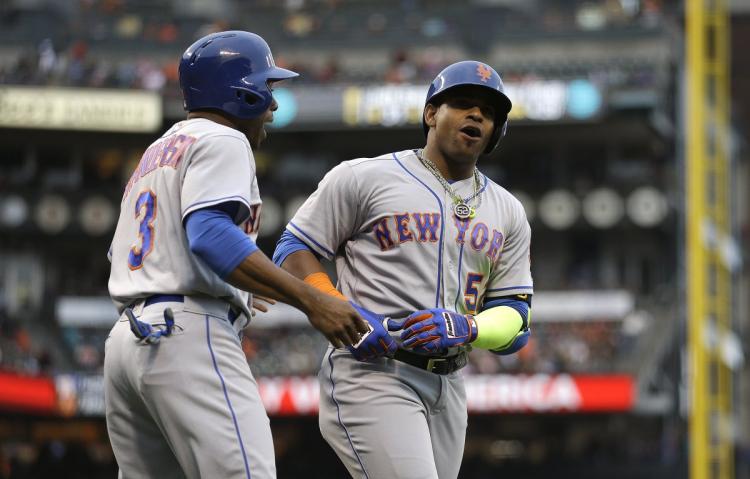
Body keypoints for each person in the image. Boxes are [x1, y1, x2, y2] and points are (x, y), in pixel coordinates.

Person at [104, 31, 372, 479]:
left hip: (127, 344)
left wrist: (238, 282)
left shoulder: (158, 151)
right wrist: (310, 299)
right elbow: (209, 234)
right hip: (186, 334)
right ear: (241, 93)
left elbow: (137, 248)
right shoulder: (224, 139)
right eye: (267, 89)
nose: (273, 105)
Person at [273, 60, 533, 478]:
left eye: (488, 112)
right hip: (374, 371)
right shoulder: (365, 177)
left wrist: (469, 329)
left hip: (450, 383)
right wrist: (339, 307)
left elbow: (516, 320)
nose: (477, 116)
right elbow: (292, 247)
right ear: (431, 113)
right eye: (463, 104)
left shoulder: (508, 210)